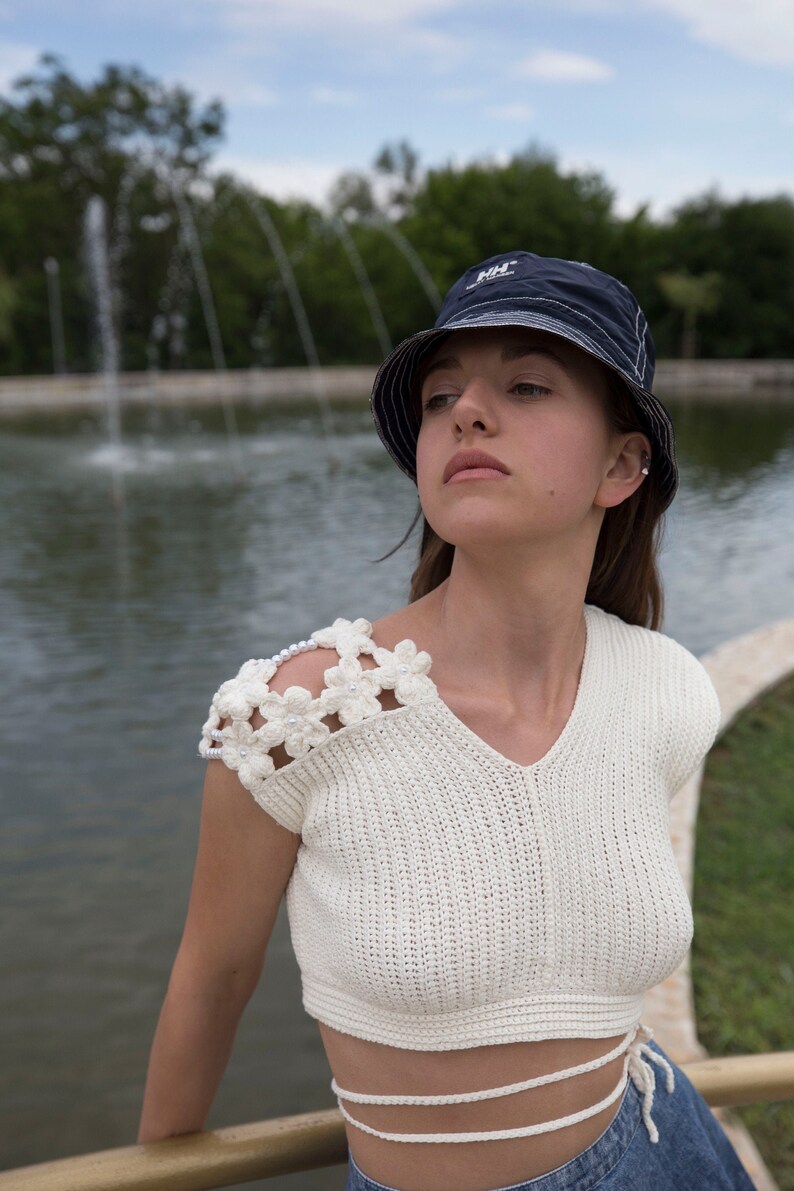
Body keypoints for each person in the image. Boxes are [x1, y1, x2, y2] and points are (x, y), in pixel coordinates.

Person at [138, 251, 755, 1191]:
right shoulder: (298, 719)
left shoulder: (666, 688)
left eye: (528, 383)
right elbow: (212, 979)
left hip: (668, 1149)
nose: (465, 411)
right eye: (438, 397)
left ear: (623, 463)